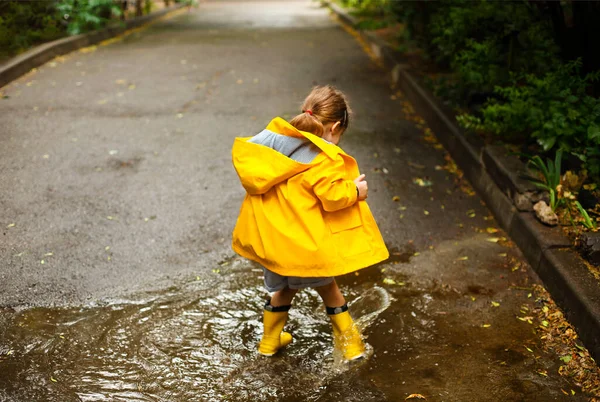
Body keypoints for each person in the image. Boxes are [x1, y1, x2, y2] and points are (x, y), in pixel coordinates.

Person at [231, 85, 389, 361]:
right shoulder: (323, 159)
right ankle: (352, 345)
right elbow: (331, 197)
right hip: (305, 243)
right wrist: (355, 191)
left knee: (283, 289)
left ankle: (269, 342)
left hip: (276, 243)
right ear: (336, 127)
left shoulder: (273, 146)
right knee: (330, 289)